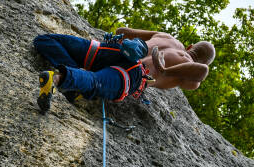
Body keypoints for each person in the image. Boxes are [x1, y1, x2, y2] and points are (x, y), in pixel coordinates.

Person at [33, 28, 215, 113]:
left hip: (113, 51)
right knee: (95, 81)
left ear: (191, 46)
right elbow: (202, 72)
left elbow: (122, 31)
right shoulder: (189, 75)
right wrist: (165, 71)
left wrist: (118, 39)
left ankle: (75, 79)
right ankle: (57, 79)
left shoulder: (167, 38)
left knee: (45, 40)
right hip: (135, 74)